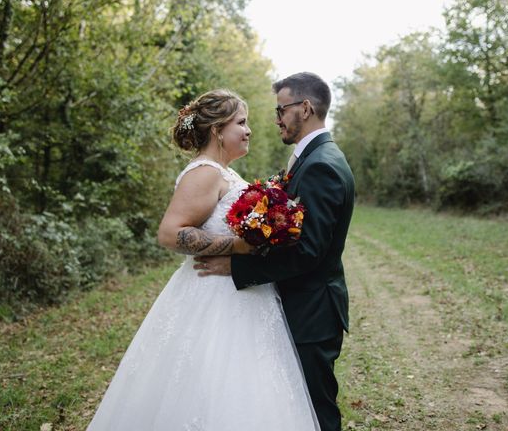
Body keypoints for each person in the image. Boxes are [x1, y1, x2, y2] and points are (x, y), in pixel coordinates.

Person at [86, 89, 320, 430]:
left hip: (243, 295)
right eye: (241, 122)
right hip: (214, 299)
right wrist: (237, 246)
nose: (249, 130)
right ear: (217, 131)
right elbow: (170, 233)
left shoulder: (224, 173)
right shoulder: (205, 172)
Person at [196, 73, 355, 431]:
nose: (276, 119)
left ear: (306, 108)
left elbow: (307, 252)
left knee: (316, 410)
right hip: (303, 305)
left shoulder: (321, 165)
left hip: (312, 311)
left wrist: (236, 267)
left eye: (280, 110)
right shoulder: (312, 158)